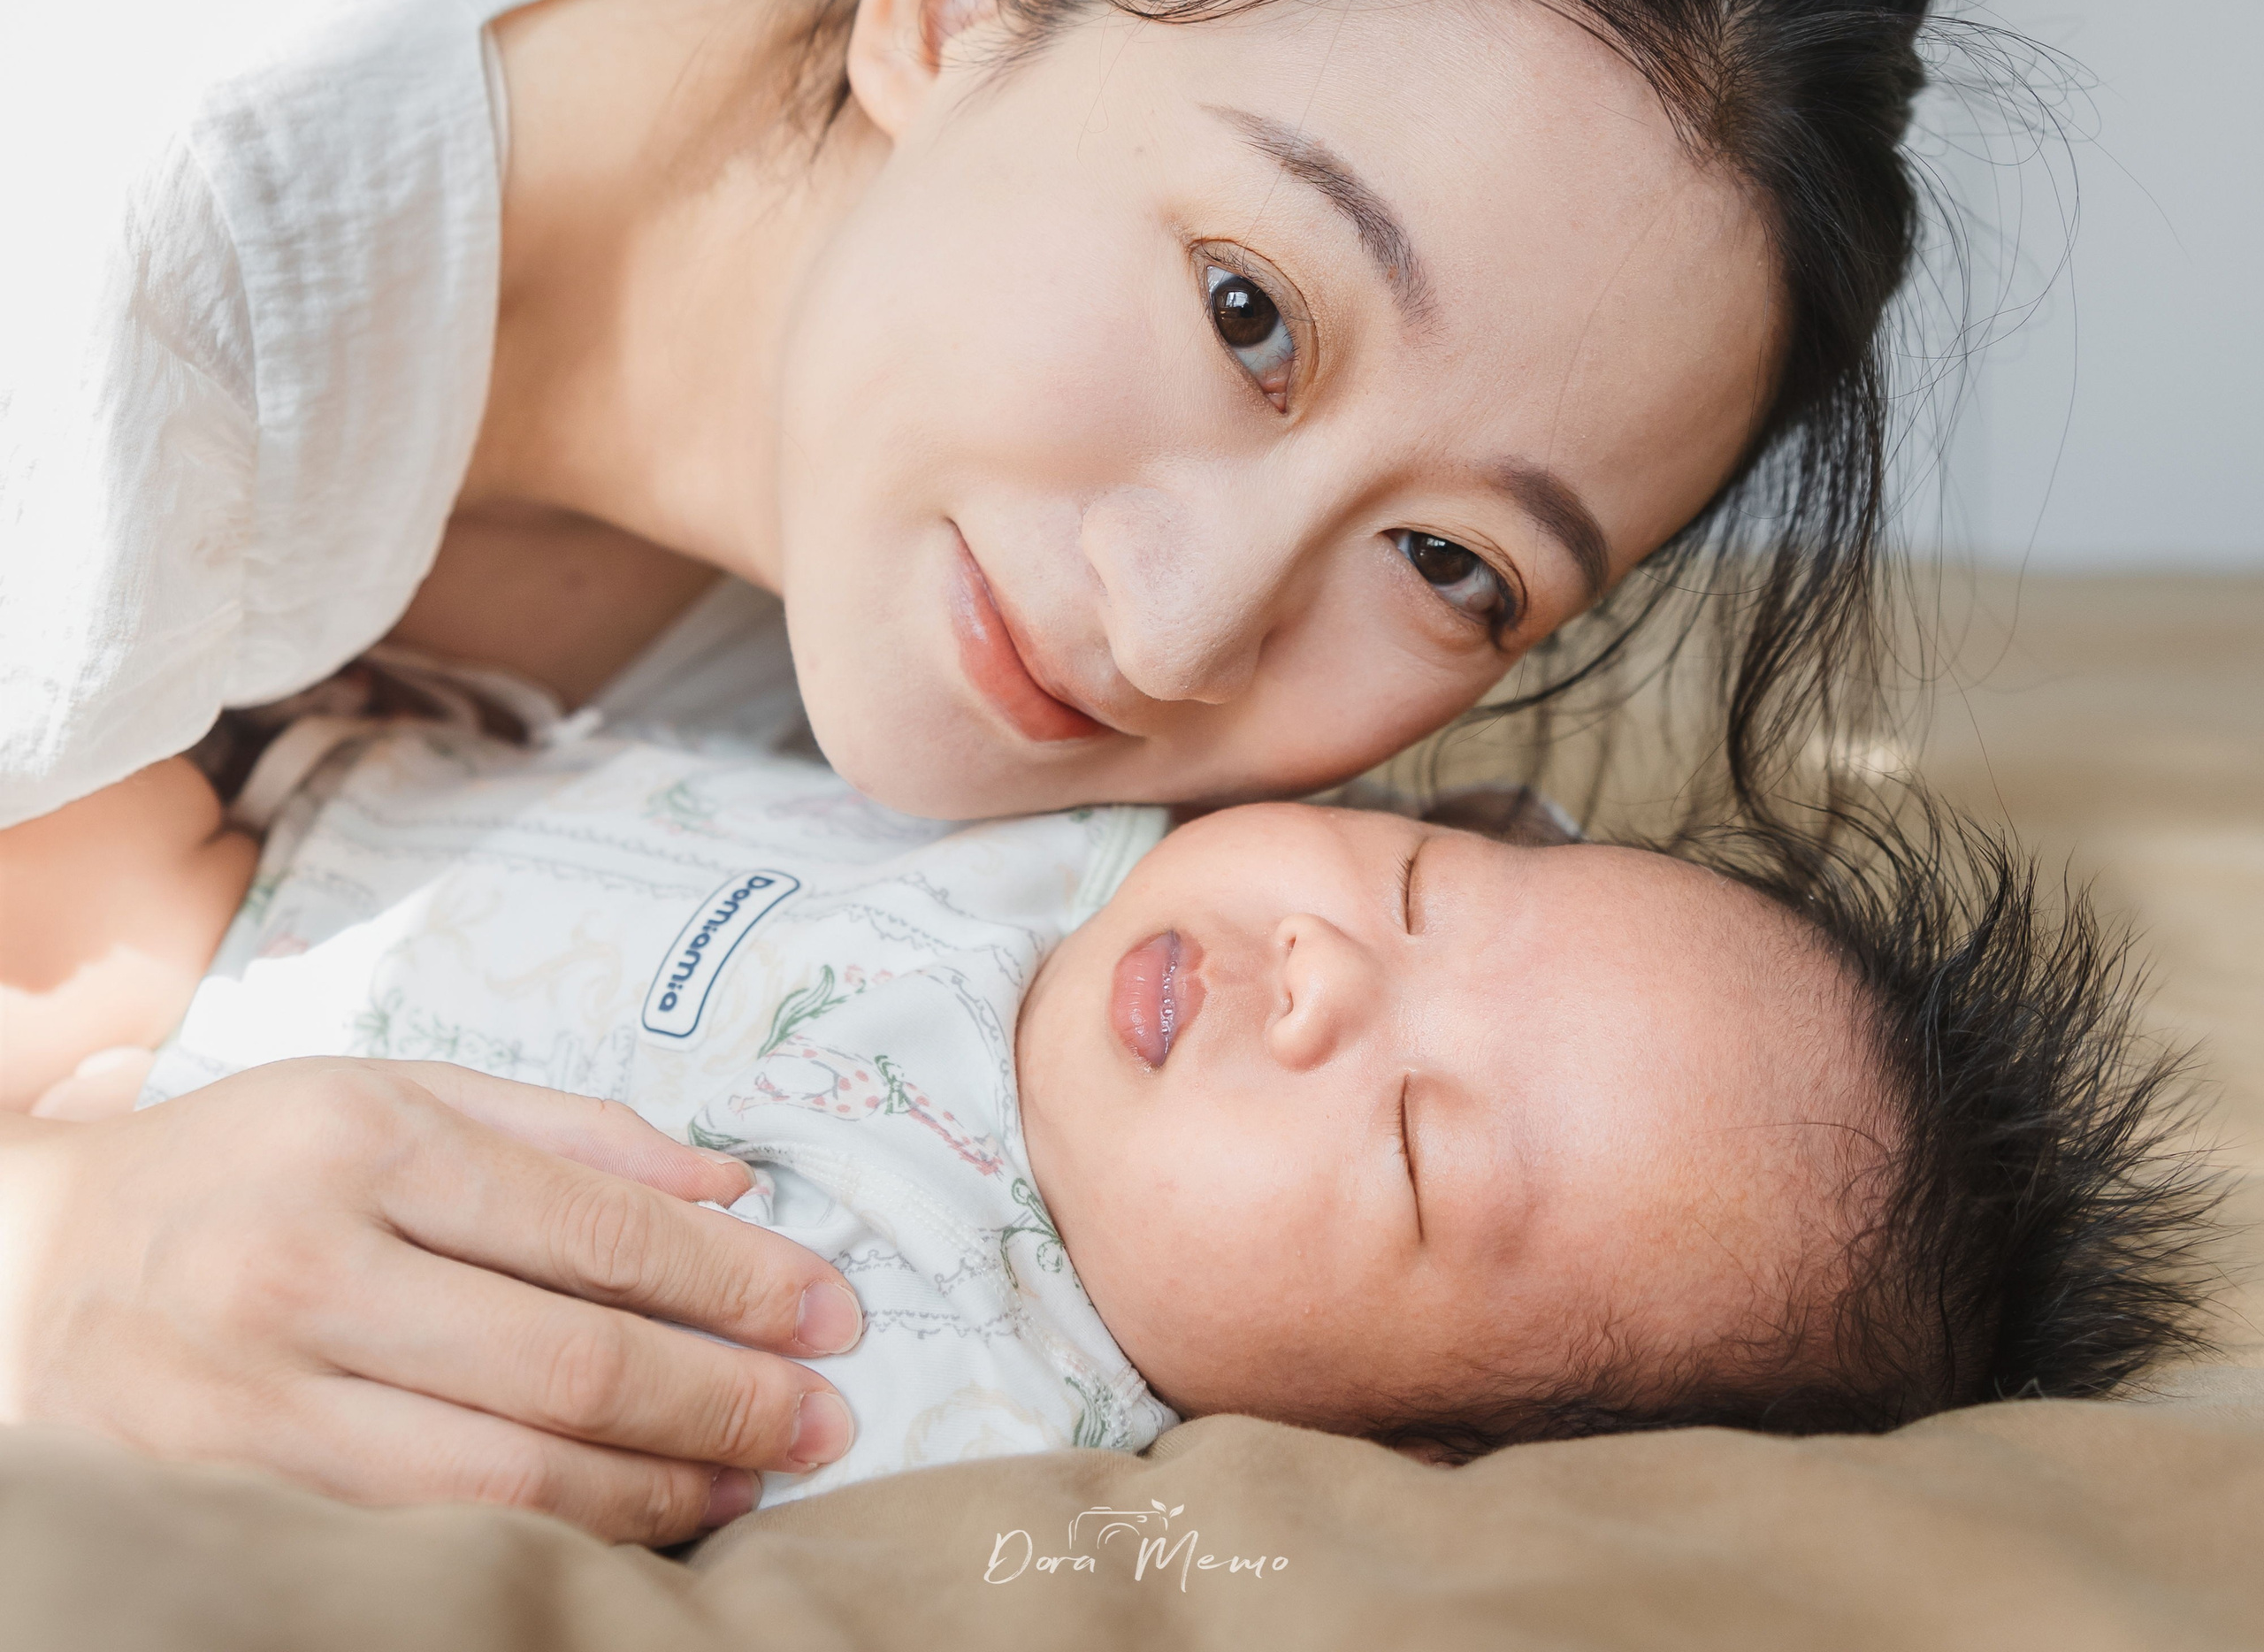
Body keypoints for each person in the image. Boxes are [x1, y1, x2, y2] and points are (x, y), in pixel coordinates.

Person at [0, 0, 1940, 1527]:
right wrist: (51, 1262)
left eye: (1450, 562)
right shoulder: (119, 282)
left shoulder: (951, 700)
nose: (1178, 637)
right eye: (1247, 309)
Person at [17, 709, 2220, 1532]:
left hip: (166, 1036)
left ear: (1406, 1445)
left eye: (1416, 1150)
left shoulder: (958, 1384)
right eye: (1426, 889)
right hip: (276, 756)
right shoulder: (1099, 823)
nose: (1321, 973)